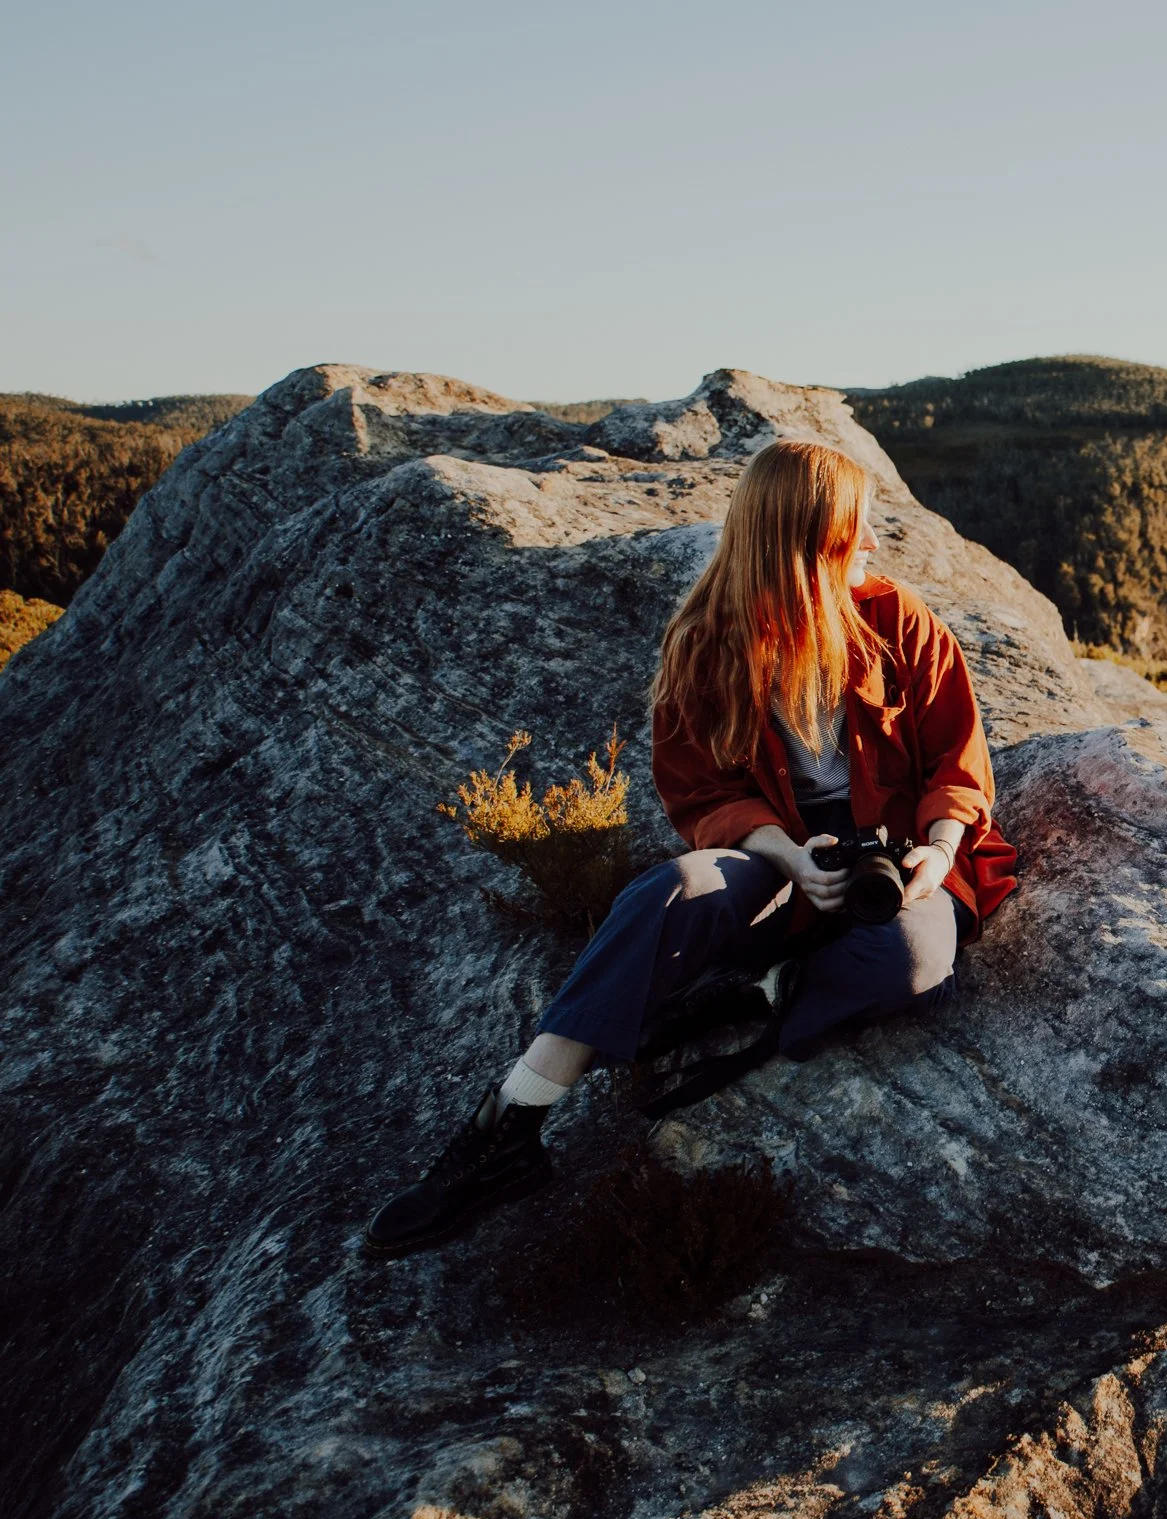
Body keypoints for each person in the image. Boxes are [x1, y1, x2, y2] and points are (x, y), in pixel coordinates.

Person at [365, 439, 1017, 1258]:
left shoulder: (899, 621)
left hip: (898, 856)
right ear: (806, 542)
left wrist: (941, 851)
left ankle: (751, 990)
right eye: (858, 530)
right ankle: (509, 1123)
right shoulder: (707, 644)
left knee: (908, 965)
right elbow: (702, 795)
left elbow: (959, 759)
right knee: (669, 889)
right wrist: (785, 854)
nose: (876, 546)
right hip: (776, 852)